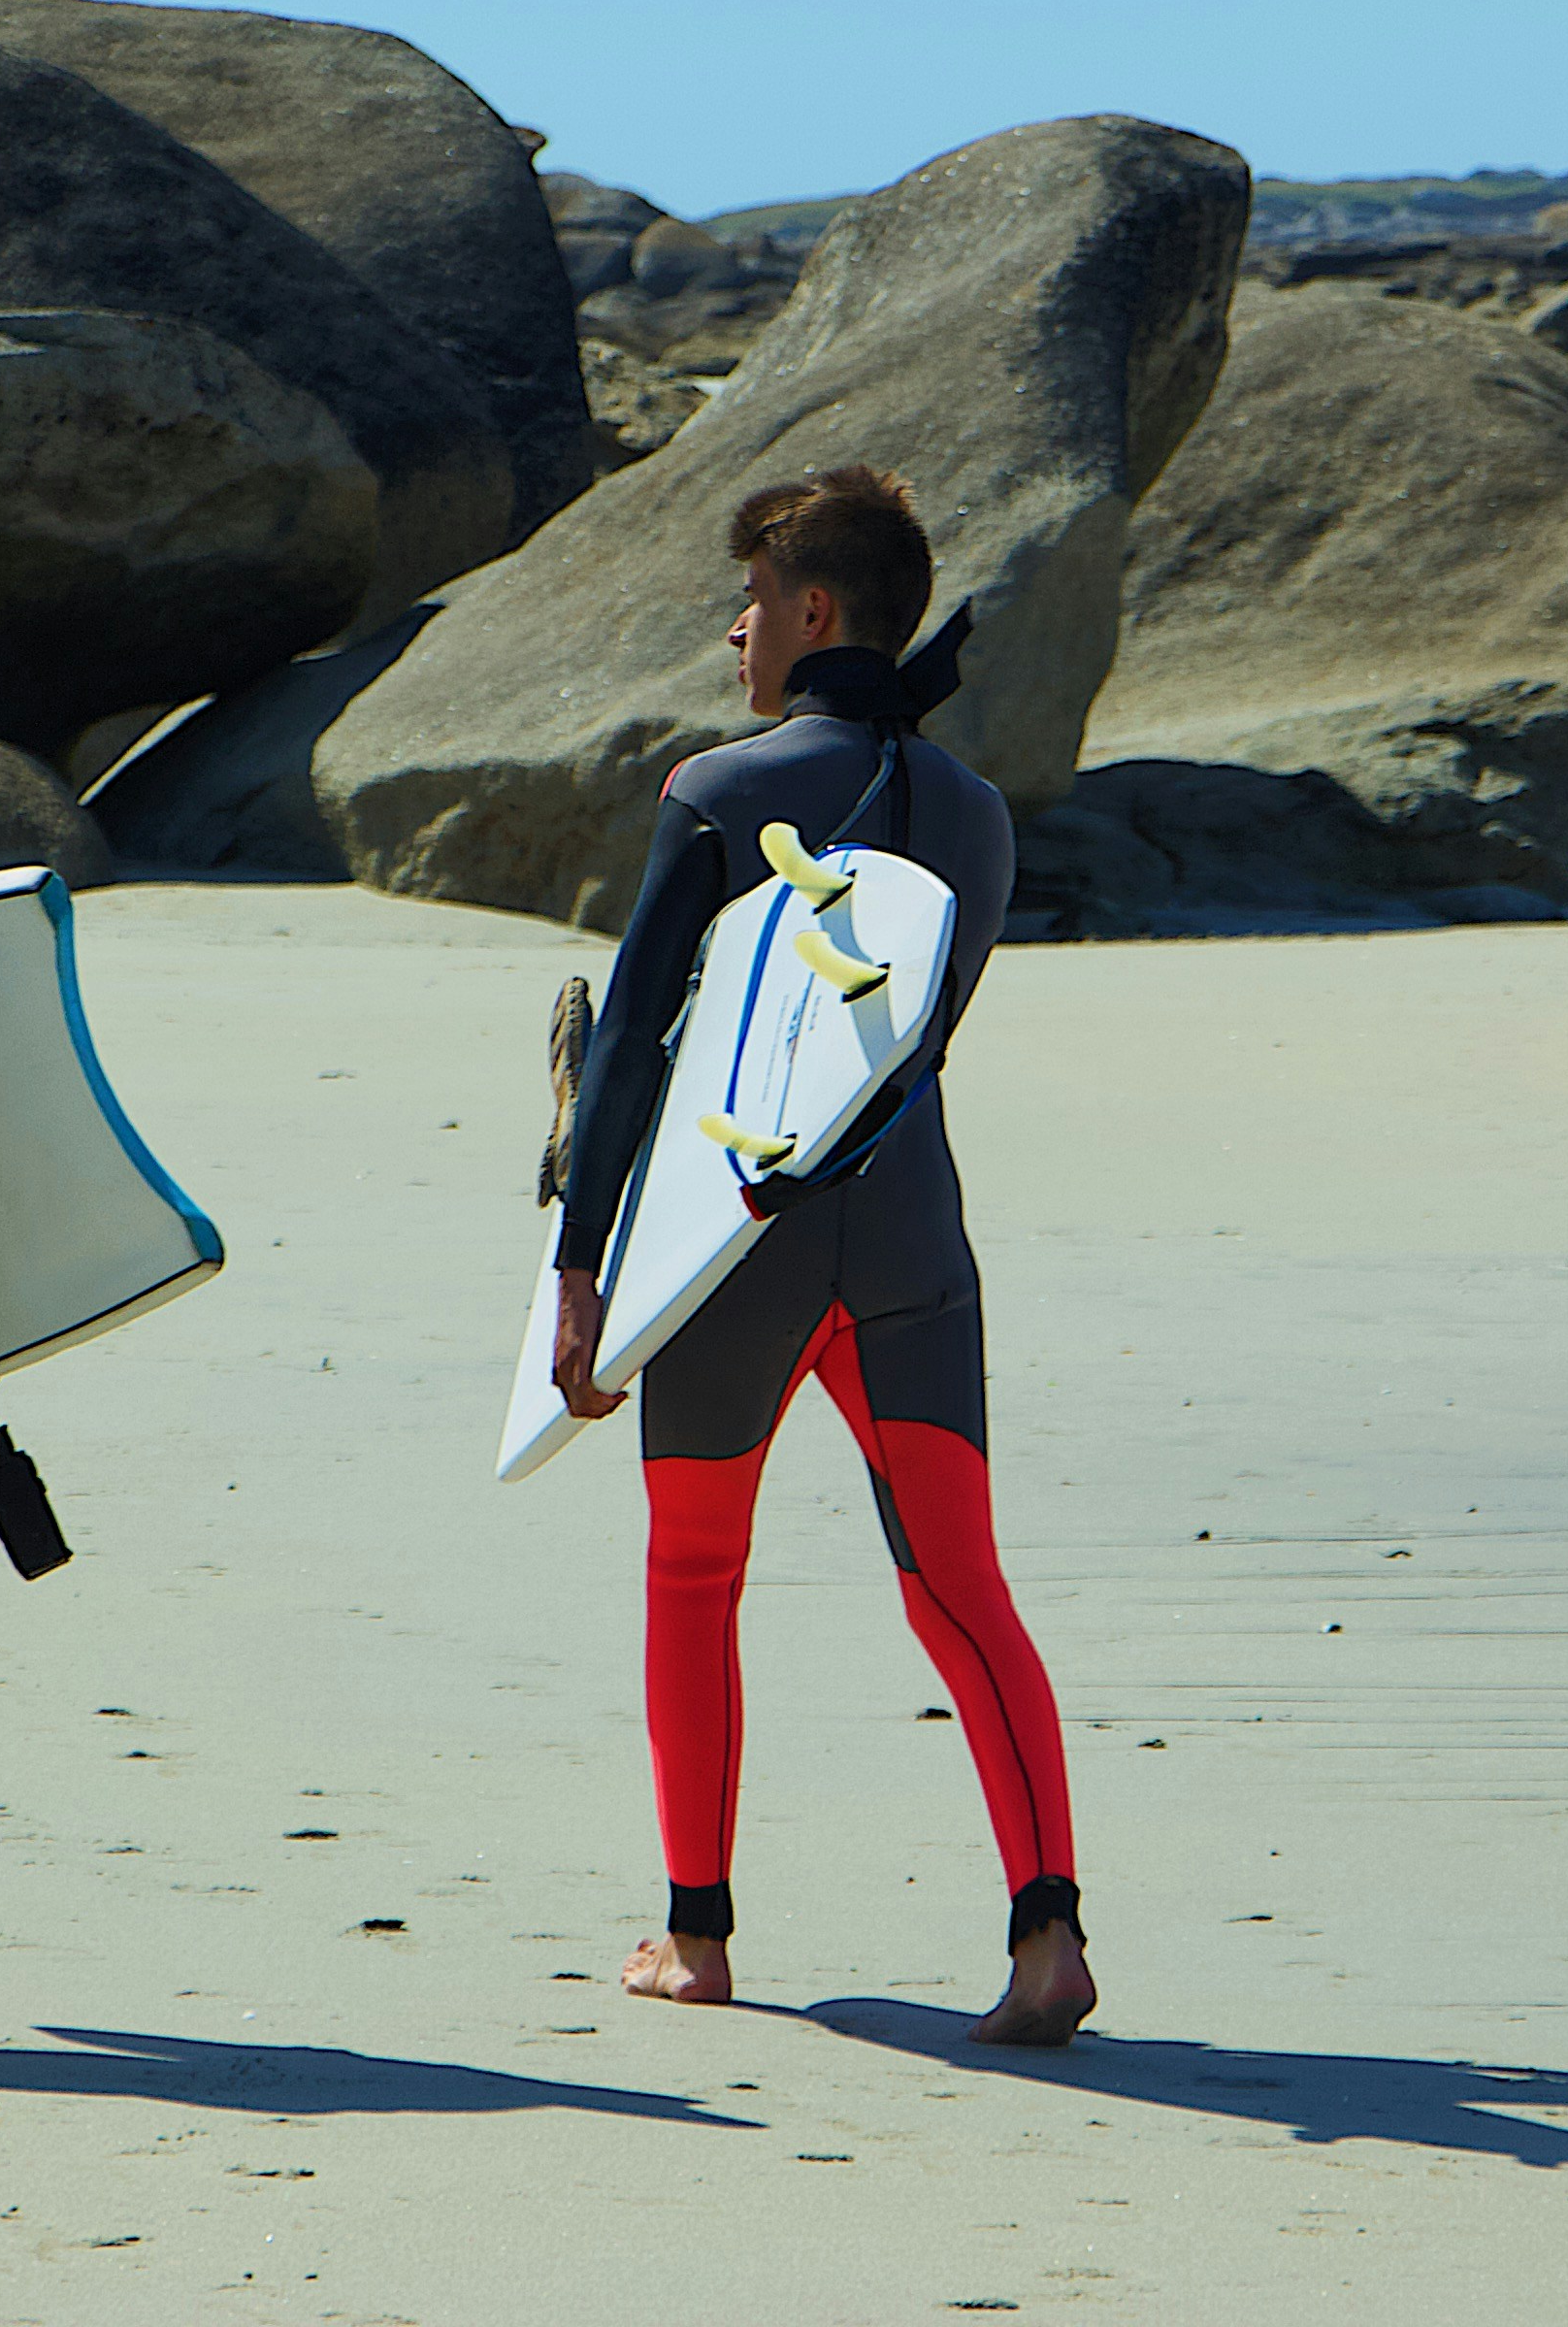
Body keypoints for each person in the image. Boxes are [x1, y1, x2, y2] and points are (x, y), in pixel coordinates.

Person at [546, 467, 1094, 2049]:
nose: (736, 627)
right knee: (959, 1586)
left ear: (814, 611)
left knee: (694, 1568)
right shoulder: (979, 815)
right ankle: (1046, 1934)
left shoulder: (717, 794)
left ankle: (695, 1937)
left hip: (744, 1251)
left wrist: (584, 1271)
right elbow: (900, 1046)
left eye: (755, 596)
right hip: (915, 1232)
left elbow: (641, 1049)